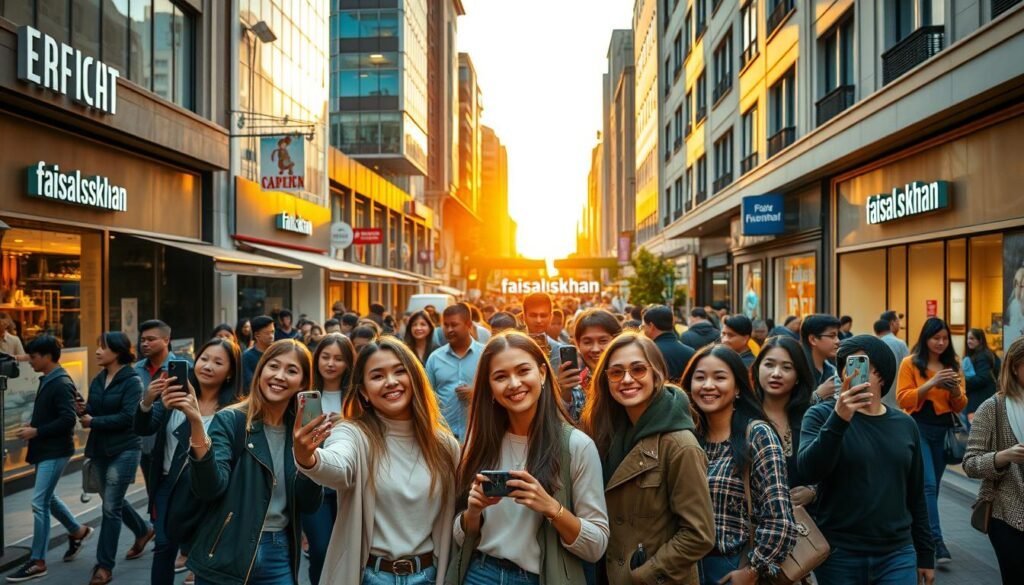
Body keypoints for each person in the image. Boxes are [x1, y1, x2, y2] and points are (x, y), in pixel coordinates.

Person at [295, 337, 460, 584]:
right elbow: (338, 465)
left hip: (429, 575)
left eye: (399, 371)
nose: (390, 381)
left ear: (415, 377)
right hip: (372, 576)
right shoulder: (353, 433)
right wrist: (308, 456)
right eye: (377, 376)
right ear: (364, 391)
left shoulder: (444, 445)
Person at [451, 332, 609, 584]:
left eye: (523, 371)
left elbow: (596, 546)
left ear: (543, 373)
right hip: (480, 573)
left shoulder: (577, 446)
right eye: (500, 377)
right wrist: (473, 512)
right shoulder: (479, 443)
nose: (514, 383)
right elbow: (460, 537)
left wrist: (551, 508)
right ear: (489, 388)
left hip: (541, 577)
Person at [183, 340, 324, 584]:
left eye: (291, 370)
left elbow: (309, 504)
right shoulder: (230, 420)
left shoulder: (303, 432)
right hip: (226, 548)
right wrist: (197, 425)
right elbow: (210, 488)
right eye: (273, 366)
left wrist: (308, 458)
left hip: (279, 552)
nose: (279, 376)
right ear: (260, 370)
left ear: (303, 383)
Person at [799, 335, 935, 585]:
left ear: (882, 375)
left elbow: (917, 493)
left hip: (897, 553)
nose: (852, 374)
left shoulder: (905, 424)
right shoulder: (820, 415)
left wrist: (926, 553)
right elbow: (809, 470)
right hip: (840, 553)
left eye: (862, 365)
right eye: (846, 366)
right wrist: (839, 419)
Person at [581, 332, 714, 584]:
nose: (627, 379)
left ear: (657, 374)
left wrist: (644, 575)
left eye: (638, 369)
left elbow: (699, 534)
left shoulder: (679, 445)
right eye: (616, 372)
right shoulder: (604, 433)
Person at [681, 345, 796, 585]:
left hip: (733, 564)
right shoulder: (686, 437)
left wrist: (752, 571)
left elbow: (780, 520)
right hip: (685, 566)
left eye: (719, 377)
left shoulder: (757, 434)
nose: (708, 385)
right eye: (700, 378)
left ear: (737, 388)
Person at [134, 338, 240, 585]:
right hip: (169, 484)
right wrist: (148, 401)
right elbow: (144, 427)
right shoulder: (176, 395)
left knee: (204, 550)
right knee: (163, 544)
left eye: (218, 362)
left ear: (230, 372)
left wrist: (195, 419)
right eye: (204, 359)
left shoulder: (235, 410)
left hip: (209, 489)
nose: (208, 366)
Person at [7, 336, 92, 583]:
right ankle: (78, 531)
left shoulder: (60, 382)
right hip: (47, 449)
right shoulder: (51, 379)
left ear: (46, 357)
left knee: (39, 502)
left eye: (33, 357)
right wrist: (34, 424)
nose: (30, 361)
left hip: (55, 450)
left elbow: (67, 420)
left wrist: (36, 431)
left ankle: (38, 561)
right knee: (47, 498)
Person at [84, 332, 154, 585]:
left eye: (102, 347)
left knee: (110, 508)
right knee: (111, 502)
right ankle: (143, 530)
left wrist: (93, 421)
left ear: (117, 351)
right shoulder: (99, 378)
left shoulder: (132, 381)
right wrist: (83, 410)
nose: (97, 351)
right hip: (100, 449)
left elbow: (128, 417)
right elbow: (92, 408)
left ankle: (104, 566)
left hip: (125, 448)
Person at [896, 317, 966, 564]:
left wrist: (954, 390)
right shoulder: (910, 363)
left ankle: (916, 532)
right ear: (926, 338)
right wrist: (932, 383)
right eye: (936, 338)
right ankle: (936, 541)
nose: (941, 342)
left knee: (932, 488)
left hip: (943, 432)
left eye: (945, 338)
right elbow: (903, 399)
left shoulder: (953, 365)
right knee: (927, 486)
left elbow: (960, 405)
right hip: (918, 429)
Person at [963, 337, 1024, 583]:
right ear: (1014, 367)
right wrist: (1002, 456)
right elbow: (970, 463)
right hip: (1007, 514)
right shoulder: (993, 407)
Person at [300, 333, 355, 584]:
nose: (331, 363)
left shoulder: (357, 396)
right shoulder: (304, 394)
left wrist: (348, 422)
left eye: (338, 358)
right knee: (320, 549)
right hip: (314, 483)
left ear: (348, 363)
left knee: (348, 551)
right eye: (325, 357)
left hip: (348, 482)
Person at [751, 336, 816, 505]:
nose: (776, 374)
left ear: (798, 375)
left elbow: (831, 468)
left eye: (786, 367)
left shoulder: (812, 417)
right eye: (769, 365)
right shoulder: (743, 414)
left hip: (804, 517)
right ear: (757, 369)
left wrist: (813, 491)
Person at [135, 320, 191, 493]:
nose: (145, 344)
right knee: (153, 495)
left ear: (166, 340)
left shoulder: (184, 368)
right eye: (142, 340)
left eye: (151, 339)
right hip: (146, 445)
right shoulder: (136, 370)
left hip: (173, 444)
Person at [424, 303, 485, 441]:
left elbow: (497, 391)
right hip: (444, 436)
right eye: (445, 325)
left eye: (454, 325)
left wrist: (476, 393)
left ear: (468, 325)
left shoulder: (485, 354)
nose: (449, 330)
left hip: (478, 435)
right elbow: (427, 396)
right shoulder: (435, 358)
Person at [568, 309, 623, 423]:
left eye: (603, 341)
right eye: (587, 342)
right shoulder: (577, 383)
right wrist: (564, 395)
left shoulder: (629, 379)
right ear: (578, 344)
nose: (595, 349)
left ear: (617, 341)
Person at [643, 305, 695, 381]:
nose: (643, 331)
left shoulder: (649, 352)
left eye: (644, 326)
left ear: (651, 326)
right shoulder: (691, 352)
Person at [964, 327, 1001, 428]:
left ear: (979, 340)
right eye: (968, 338)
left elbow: (982, 378)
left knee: (977, 431)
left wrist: (963, 382)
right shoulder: (988, 353)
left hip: (979, 399)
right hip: (986, 398)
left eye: (972, 338)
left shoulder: (982, 356)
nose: (968, 341)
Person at [874, 318, 909, 409]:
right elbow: (909, 366)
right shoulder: (901, 343)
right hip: (900, 394)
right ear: (889, 328)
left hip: (882, 396)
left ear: (876, 332)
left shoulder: (876, 345)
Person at [242, 316, 275, 395]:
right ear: (257, 335)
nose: (271, 336)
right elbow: (249, 384)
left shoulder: (277, 353)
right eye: (267, 333)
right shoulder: (247, 357)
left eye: (272, 332)